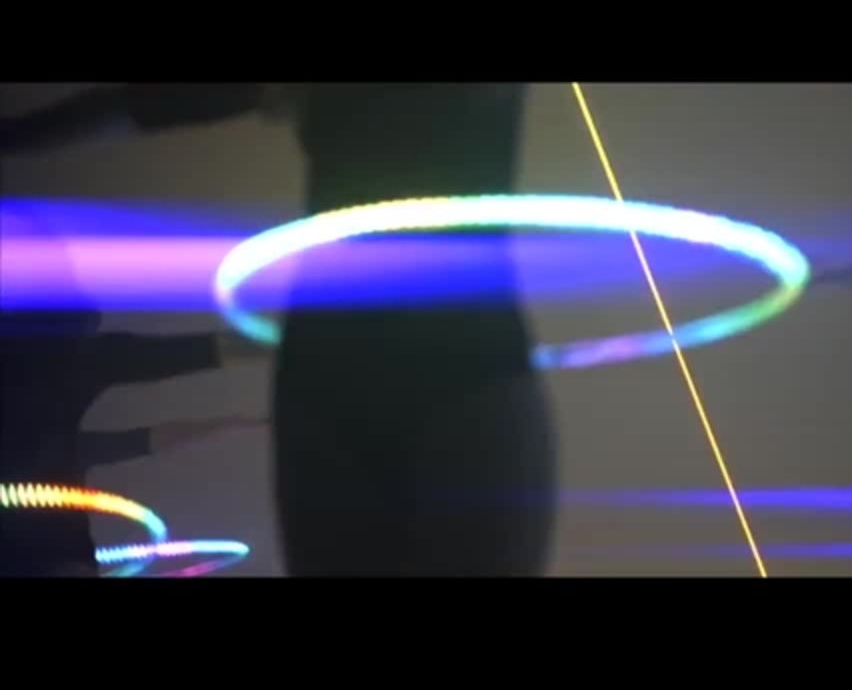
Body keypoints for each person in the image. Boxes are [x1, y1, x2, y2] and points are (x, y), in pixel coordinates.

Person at [2, 83, 560, 577]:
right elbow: (147, 103)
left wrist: (17, 135)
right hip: (372, 366)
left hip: (419, 364)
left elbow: (137, 106)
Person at [1, 156, 266, 577]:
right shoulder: (71, 371)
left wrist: (237, 413)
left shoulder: (71, 368)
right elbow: (150, 424)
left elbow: (153, 418)